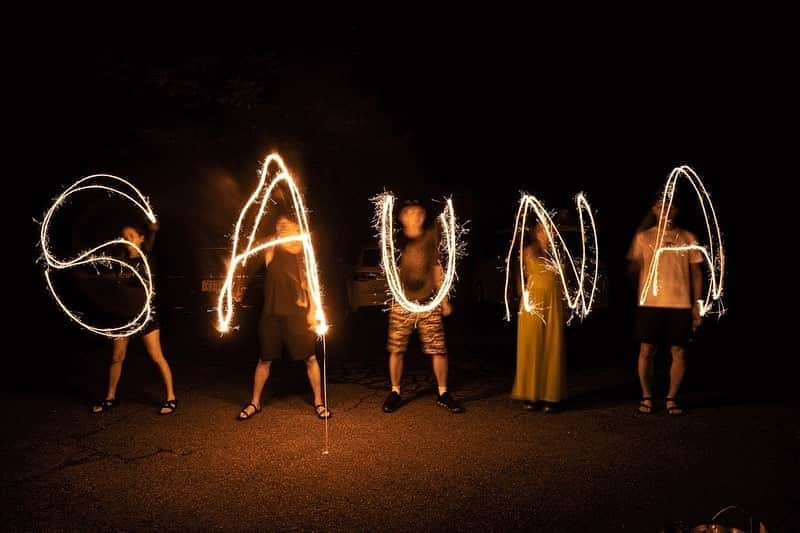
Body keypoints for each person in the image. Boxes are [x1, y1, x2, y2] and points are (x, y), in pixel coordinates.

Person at [238, 214, 331, 421]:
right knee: (264, 360)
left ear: (297, 228)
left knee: (310, 358)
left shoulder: (303, 255)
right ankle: (255, 402)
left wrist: (313, 312)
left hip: (297, 315)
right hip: (271, 315)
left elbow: (311, 287)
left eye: (287, 225)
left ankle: (318, 402)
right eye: (279, 225)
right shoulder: (272, 249)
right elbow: (249, 252)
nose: (282, 228)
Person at [382, 201, 464, 414]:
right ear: (402, 217)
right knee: (396, 348)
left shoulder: (430, 238)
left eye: (419, 213)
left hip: (428, 301)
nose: (416, 217)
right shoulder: (397, 241)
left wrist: (444, 300)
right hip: (402, 302)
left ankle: (443, 393)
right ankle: (395, 392)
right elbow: (389, 268)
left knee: (438, 349)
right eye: (410, 213)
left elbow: (437, 268)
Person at [91, 221, 178, 415]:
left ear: (141, 239)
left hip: (145, 317)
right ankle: (110, 398)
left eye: (131, 235)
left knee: (157, 357)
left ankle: (171, 397)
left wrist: (153, 231)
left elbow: (152, 241)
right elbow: (107, 280)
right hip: (122, 317)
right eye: (124, 236)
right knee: (116, 357)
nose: (127, 239)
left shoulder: (147, 258)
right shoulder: (119, 260)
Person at [628, 199, 703, 416]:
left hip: (680, 304)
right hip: (650, 303)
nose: (666, 211)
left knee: (679, 352)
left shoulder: (688, 238)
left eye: (671, 207)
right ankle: (647, 396)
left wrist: (697, 305)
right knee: (646, 350)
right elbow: (633, 268)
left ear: (677, 210)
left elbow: (696, 275)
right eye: (661, 207)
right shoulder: (644, 237)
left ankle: (672, 397)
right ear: (654, 209)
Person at [511, 222, 567, 413]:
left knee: (552, 345)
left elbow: (564, 279)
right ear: (536, 233)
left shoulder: (558, 253)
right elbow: (519, 273)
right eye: (543, 230)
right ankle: (531, 394)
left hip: (553, 302)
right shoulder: (528, 251)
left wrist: (566, 302)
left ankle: (550, 396)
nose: (547, 233)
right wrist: (522, 294)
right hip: (533, 301)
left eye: (550, 229)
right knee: (532, 345)